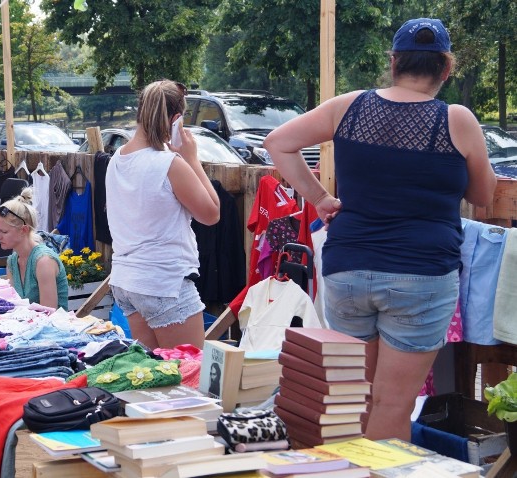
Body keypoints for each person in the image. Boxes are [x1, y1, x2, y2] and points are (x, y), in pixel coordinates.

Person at [263, 18, 497, 441]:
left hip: (348, 269)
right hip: (422, 275)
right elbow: (483, 195)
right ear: (446, 68)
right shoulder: (457, 120)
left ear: (393, 63)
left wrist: (320, 199)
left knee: (357, 397)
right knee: (394, 403)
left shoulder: (349, 106)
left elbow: (278, 142)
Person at [106, 79, 221, 350]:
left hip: (127, 281)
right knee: (187, 374)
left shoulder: (116, 159)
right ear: (176, 119)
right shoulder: (169, 164)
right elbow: (211, 213)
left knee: (153, 373)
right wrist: (192, 159)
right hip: (163, 282)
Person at [0, 189, 69, 310]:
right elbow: (13, 306)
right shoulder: (12, 261)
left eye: (4, 231)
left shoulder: (43, 261)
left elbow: (48, 313)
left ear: (24, 230)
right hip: (28, 324)